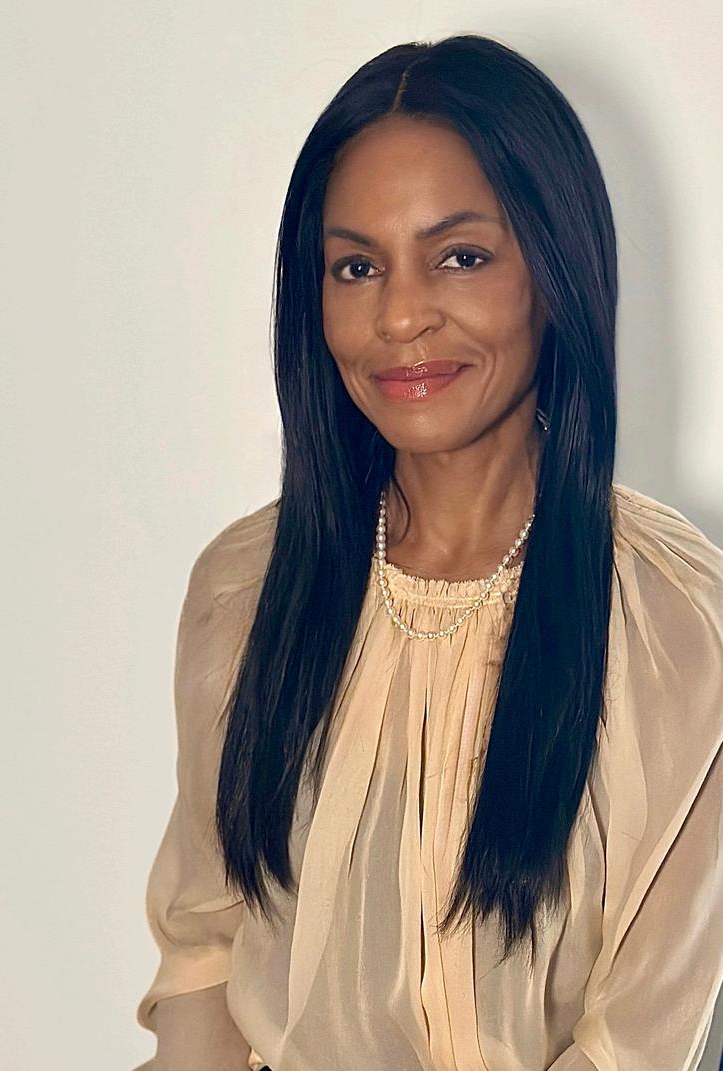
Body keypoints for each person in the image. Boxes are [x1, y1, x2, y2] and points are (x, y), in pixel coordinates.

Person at [132, 34, 723, 1071]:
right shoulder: (247, 590)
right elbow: (207, 955)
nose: (400, 316)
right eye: (356, 267)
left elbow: (636, 1044)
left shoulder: (676, 627)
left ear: (555, 267)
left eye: (460, 256)